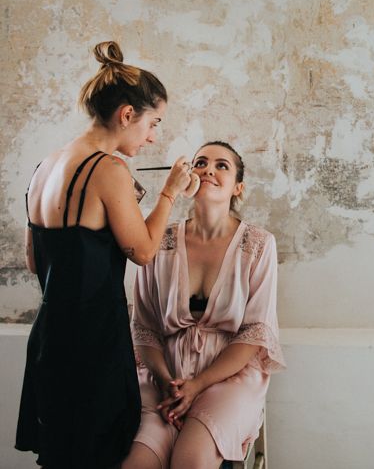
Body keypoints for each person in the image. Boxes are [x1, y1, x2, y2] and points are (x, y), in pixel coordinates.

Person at [16, 41, 193, 468]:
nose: (153, 137)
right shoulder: (107, 169)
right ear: (127, 114)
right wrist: (169, 193)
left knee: (63, 453)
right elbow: (145, 252)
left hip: (50, 336)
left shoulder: (46, 165)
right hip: (93, 339)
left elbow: (34, 261)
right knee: (98, 453)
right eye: (153, 123)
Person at [124, 141, 285, 469]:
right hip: (164, 374)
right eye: (200, 163)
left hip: (229, 376)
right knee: (137, 462)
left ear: (238, 186)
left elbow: (255, 332)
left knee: (191, 460)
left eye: (222, 165)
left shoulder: (258, 244)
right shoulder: (160, 240)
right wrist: (169, 382)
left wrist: (198, 384)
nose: (209, 169)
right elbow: (144, 326)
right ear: (188, 177)